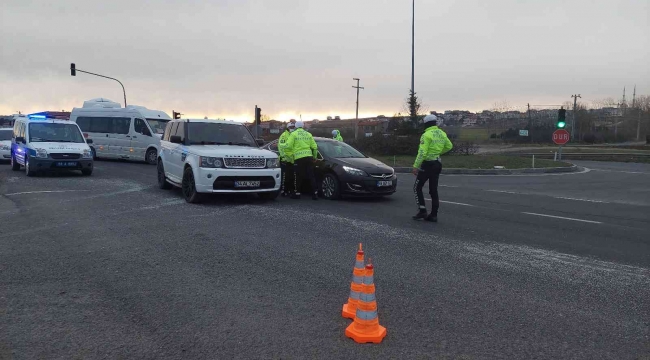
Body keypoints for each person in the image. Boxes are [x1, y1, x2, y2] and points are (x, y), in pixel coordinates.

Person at [412, 114, 453, 222]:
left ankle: (422, 210)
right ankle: (434, 215)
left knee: (417, 187)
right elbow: (449, 146)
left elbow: (422, 152)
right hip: (437, 164)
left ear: (426, 124)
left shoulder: (426, 135)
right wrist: (438, 153)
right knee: (433, 190)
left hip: (427, 164)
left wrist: (416, 166)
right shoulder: (442, 133)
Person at [285, 121, 318, 200]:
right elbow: (315, 147)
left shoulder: (293, 134)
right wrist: (315, 157)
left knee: (298, 176)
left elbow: (288, 146)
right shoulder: (308, 134)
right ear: (303, 126)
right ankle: (315, 193)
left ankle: (297, 193)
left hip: (299, 158)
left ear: (296, 126)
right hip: (309, 157)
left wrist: (283, 146)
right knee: (311, 176)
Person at [278, 121, 296, 196]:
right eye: (291, 127)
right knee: (285, 177)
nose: (292, 129)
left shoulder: (295, 135)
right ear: (288, 128)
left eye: (293, 127)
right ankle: (283, 191)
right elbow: (281, 146)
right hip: (285, 160)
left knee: (292, 177)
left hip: (293, 160)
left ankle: (291, 190)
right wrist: (284, 157)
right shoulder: (284, 135)